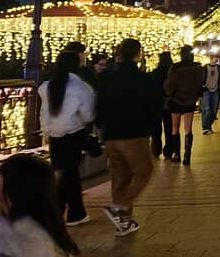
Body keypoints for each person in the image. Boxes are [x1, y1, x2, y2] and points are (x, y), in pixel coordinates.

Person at [96, 38, 162, 236]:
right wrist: (151, 125)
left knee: (121, 176)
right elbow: (154, 105)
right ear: (138, 54)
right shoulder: (142, 79)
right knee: (144, 172)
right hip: (134, 133)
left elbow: (99, 105)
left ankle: (123, 223)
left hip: (111, 134)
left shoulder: (106, 78)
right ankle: (120, 207)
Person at [38, 51, 96, 226]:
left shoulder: (47, 86)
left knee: (65, 171)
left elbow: (44, 111)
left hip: (53, 134)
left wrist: (47, 127)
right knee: (69, 173)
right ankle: (66, 212)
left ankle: (71, 211)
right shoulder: (80, 88)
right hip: (74, 132)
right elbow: (88, 114)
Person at [165, 46, 203, 165]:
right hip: (190, 100)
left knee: (175, 128)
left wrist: (170, 92)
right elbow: (199, 84)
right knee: (188, 129)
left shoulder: (175, 67)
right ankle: (187, 156)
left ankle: (177, 154)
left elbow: (171, 85)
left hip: (176, 100)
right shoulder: (197, 67)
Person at [148, 52, 174, 159]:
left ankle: (156, 150)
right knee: (169, 128)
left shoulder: (154, 73)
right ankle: (168, 151)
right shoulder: (172, 73)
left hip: (156, 103)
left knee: (156, 129)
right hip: (169, 103)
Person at [200, 55, 220, 135]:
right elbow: (202, 78)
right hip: (206, 90)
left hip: (215, 90)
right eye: (215, 57)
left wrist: (219, 87)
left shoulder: (219, 68)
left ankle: (209, 126)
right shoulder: (205, 68)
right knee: (207, 109)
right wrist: (202, 86)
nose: (217, 59)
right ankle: (205, 128)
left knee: (214, 109)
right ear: (211, 58)